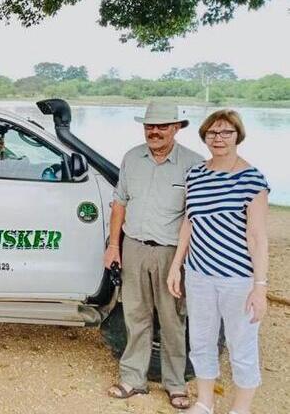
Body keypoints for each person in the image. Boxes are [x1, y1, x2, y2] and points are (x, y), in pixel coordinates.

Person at [167, 110, 270, 414]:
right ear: (204, 138)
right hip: (199, 274)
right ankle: (204, 402)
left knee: (241, 346)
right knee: (200, 340)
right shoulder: (196, 174)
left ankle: (241, 408)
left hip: (237, 279)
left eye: (226, 132)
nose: (219, 138)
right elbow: (189, 221)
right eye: (212, 133)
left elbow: (257, 237)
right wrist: (177, 265)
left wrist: (260, 287)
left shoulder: (252, 180)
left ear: (238, 136)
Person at [104, 102, 203, 410]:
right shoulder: (132, 158)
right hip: (134, 247)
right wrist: (113, 246)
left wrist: (183, 261)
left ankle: (175, 384)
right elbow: (119, 204)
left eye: (162, 126)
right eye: (150, 126)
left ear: (176, 128)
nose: (154, 131)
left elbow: (194, 216)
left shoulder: (193, 164)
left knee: (173, 320)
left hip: (171, 253)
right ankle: (133, 378)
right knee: (135, 315)